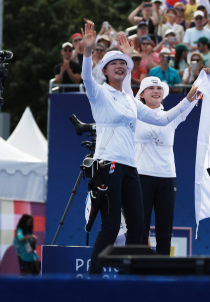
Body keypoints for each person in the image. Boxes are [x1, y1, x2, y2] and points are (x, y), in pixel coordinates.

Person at [78, 23, 200, 274]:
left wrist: (188, 100)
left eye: (124, 64)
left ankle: (130, 278)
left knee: (137, 226)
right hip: (108, 164)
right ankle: (93, 279)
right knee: (111, 226)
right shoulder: (98, 93)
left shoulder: (130, 101)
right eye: (115, 64)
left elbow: (163, 119)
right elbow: (86, 78)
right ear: (105, 70)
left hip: (130, 168)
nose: (120, 66)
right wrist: (88, 52)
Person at [131, 77, 198, 255]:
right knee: (140, 228)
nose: (156, 91)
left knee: (165, 231)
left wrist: (201, 82)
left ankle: (161, 273)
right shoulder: (134, 114)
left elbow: (192, 100)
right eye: (150, 88)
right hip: (141, 178)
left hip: (168, 179)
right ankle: (137, 273)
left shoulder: (172, 115)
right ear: (142, 94)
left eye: (159, 88)